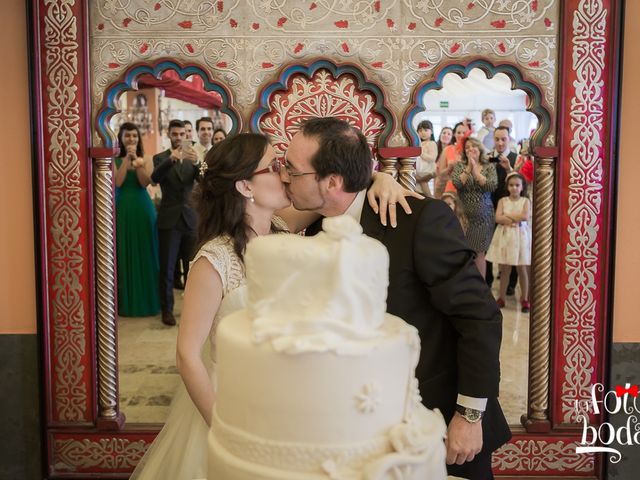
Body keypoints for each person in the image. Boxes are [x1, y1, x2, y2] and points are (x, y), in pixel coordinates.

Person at [130, 132, 420, 479]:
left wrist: (380, 177)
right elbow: (187, 355)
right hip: (235, 401)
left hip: (288, 396)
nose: (285, 174)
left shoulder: (283, 228)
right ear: (245, 187)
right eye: (273, 167)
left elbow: (334, 188)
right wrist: (223, 428)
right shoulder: (214, 259)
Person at [284, 117, 510, 480]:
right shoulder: (310, 229)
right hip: (355, 426)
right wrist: (375, 176)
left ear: (332, 181)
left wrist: (468, 416)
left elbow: (480, 317)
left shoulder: (418, 221)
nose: (284, 177)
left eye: (292, 171)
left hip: (434, 418)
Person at [151, 119, 200, 326]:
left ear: (186, 136)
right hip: (169, 219)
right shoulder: (160, 157)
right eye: (175, 134)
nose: (179, 138)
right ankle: (167, 311)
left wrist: (197, 164)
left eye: (182, 134)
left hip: (190, 218)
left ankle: (192, 311)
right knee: (168, 269)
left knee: (192, 269)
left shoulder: (193, 157)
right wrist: (170, 159)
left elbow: (205, 182)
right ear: (168, 134)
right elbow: (154, 178)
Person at [114, 122, 161, 317]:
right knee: (123, 252)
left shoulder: (147, 158)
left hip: (143, 208)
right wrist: (127, 160)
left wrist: (138, 164)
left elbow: (145, 183)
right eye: (127, 136)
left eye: (134, 136)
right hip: (122, 207)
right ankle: (125, 304)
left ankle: (148, 302)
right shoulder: (113, 159)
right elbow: (117, 182)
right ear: (121, 138)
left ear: (138, 138)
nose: (131, 139)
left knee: (145, 251)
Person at [451, 137, 498, 279]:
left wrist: (476, 173)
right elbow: (457, 184)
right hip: (463, 216)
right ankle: (466, 285)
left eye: (473, 146)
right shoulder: (459, 166)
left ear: (480, 148)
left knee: (479, 252)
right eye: (467, 147)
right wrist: (469, 168)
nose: (470, 149)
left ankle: (481, 289)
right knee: (463, 252)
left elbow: (491, 186)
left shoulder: (489, 166)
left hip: (483, 217)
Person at [486, 173, 531, 313]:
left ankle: (525, 298)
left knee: (522, 269)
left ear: (522, 187)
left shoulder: (525, 201)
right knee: (504, 269)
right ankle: (502, 297)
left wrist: (508, 217)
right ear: (507, 186)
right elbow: (498, 218)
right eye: (511, 185)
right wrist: (513, 219)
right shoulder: (502, 201)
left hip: (520, 237)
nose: (514, 188)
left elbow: (524, 216)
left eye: (517, 185)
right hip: (505, 237)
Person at [486, 126, 519, 291]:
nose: (500, 143)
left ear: (509, 139)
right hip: (489, 208)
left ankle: (511, 284)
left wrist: (508, 169)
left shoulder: (515, 158)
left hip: (509, 209)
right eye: (497, 139)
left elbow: (520, 184)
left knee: (510, 245)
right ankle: (487, 281)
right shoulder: (487, 158)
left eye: (503, 139)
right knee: (488, 245)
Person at [434, 120, 471, 198]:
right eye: (458, 132)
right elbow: (440, 174)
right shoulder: (448, 149)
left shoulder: (471, 150)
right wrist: (449, 168)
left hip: (468, 191)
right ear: (454, 134)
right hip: (450, 191)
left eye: (464, 133)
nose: (461, 135)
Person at [415, 120, 438, 197]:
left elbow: (432, 158)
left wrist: (420, 153)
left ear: (431, 132)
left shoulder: (432, 143)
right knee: (419, 185)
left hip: (427, 168)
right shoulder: (418, 144)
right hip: (419, 169)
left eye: (426, 130)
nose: (423, 133)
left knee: (424, 183)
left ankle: (431, 198)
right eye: (420, 130)